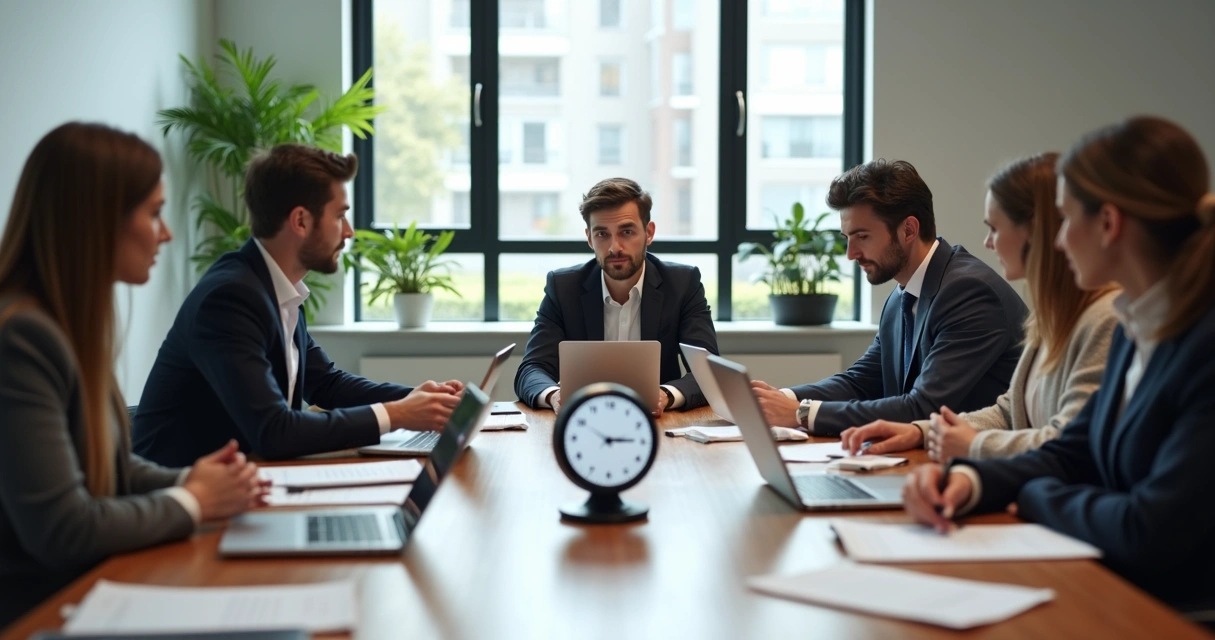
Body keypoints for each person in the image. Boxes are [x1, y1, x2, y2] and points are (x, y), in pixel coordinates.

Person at [903, 116, 1215, 615]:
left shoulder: (1199, 345)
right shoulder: (1139, 330)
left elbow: (1149, 530)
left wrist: (1031, 497)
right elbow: (1073, 451)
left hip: (1172, 612)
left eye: (1067, 220)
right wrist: (968, 481)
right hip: (1121, 586)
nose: (1061, 239)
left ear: (1109, 225)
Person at [0, 123, 266, 626]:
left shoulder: (65, 323)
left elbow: (112, 469)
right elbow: (63, 528)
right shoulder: (21, 337)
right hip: (38, 613)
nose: (165, 233)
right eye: (154, 212)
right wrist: (193, 500)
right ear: (95, 221)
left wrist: (196, 479)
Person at [133, 144, 463, 467]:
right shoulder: (230, 298)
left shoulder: (274, 288)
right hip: (180, 501)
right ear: (301, 221)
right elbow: (274, 432)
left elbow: (327, 384)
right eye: (340, 216)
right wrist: (398, 414)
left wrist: (418, 400)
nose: (348, 232)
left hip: (243, 482)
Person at [840, 154, 1120, 459]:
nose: (987, 242)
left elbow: (1070, 442)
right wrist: (921, 431)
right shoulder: (1050, 316)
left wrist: (972, 446)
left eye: (995, 228)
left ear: (1037, 230)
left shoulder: (1104, 318)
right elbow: (1009, 412)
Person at [751, 159, 1027, 436]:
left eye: (862, 236)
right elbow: (861, 382)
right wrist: (778, 399)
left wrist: (802, 413)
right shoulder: (904, 295)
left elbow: (923, 408)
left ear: (908, 230)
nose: (851, 253)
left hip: (984, 466)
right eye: (847, 237)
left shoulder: (969, 292)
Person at [513, 177, 719, 415]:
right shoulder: (563, 287)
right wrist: (554, 396)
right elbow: (531, 369)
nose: (615, 247)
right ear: (589, 238)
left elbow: (709, 371)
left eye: (627, 231)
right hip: (583, 420)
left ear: (648, 233)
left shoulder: (682, 283)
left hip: (657, 423)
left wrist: (665, 395)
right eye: (602, 234)